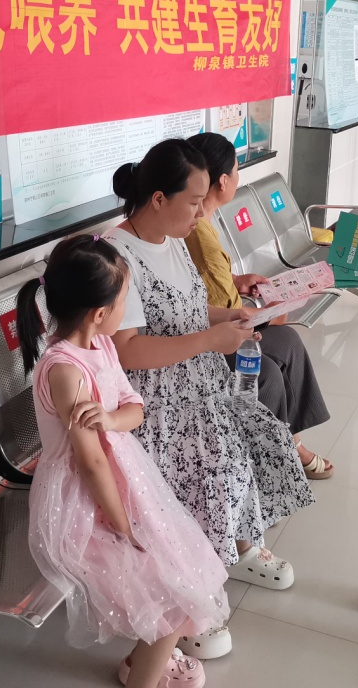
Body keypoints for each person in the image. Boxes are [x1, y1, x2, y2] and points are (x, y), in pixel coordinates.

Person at [105, 139, 314, 660]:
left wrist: (232, 317)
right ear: (158, 198)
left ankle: (200, 590)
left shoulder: (173, 237)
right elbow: (127, 350)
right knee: (193, 495)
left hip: (200, 387)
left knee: (234, 471)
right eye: (194, 201)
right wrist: (208, 340)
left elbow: (188, 309)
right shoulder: (117, 256)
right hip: (154, 405)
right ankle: (177, 611)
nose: (202, 213)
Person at [19, 234, 230, 688]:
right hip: (85, 503)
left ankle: (141, 663)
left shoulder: (104, 346)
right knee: (170, 596)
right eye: (124, 300)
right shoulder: (65, 370)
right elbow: (91, 463)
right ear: (99, 313)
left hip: (126, 483)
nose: (127, 310)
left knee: (180, 571)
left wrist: (112, 418)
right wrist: (123, 526)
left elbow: (135, 408)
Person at [183, 132, 334, 479]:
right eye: (237, 170)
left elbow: (213, 286)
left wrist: (237, 280)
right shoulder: (198, 232)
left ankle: (290, 442)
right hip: (213, 338)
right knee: (266, 373)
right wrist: (271, 313)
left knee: (289, 343)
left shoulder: (204, 224)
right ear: (223, 181)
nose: (238, 177)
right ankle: (270, 467)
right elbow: (223, 311)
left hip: (224, 321)